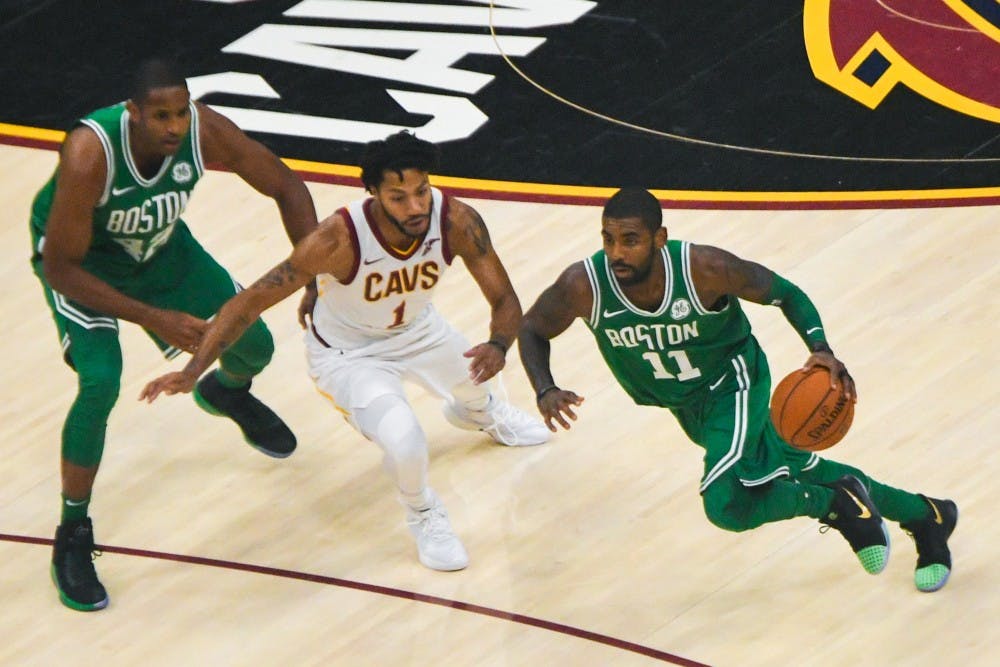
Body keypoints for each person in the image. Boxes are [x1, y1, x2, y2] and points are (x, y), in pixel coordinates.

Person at [141, 130, 549, 572]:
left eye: (421, 191)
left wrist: (497, 343)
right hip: (349, 356)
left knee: (479, 380)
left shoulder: (455, 220)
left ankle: (478, 412)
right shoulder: (338, 238)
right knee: (407, 443)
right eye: (399, 197)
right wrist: (194, 369)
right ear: (372, 194)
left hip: (420, 330)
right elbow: (249, 302)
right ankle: (423, 513)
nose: (415, 207)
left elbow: (505, 299)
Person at [517, 187, 958, 592]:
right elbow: (534, 327)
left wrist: (820, 348)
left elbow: (785, 293)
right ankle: (928, 517)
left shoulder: (705, 270)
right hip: (687, 406)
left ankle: (836, 505)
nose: (617, 252)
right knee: (794, 465)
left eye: (630, 239)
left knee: (725, 502)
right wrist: (545, 389)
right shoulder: (584, 285)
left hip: (736, 383)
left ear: (659, 238)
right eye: (608, 239)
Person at [29, 59, 319, 611]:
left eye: (180, 113)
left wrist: (314, 273)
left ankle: (226, 391)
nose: (173, 126)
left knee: (255, 345)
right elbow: (60, 267)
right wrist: (155, 318)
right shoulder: (91, 153)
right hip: (83, 263)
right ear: (132, 113)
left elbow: (284, 183)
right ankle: (72, 531)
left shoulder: (203, 130)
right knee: (100, 382)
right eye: (160, 115)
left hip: (161, 249)